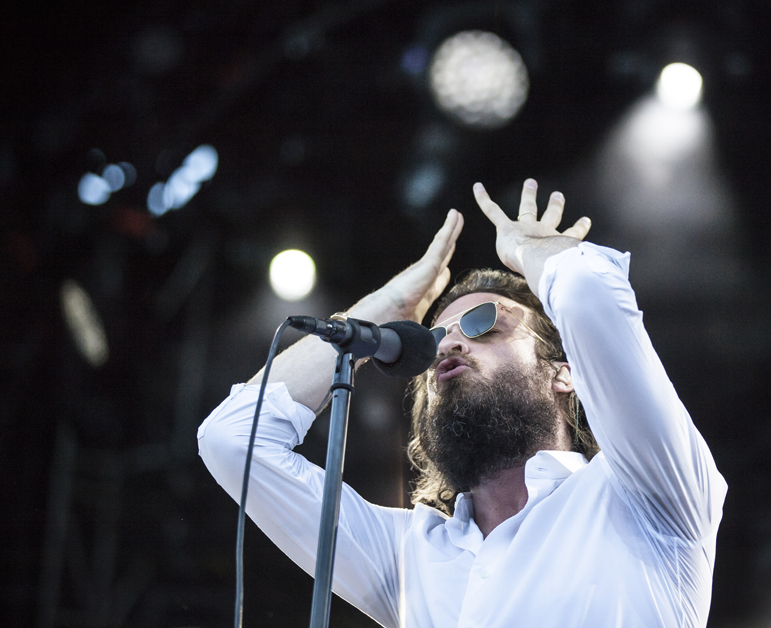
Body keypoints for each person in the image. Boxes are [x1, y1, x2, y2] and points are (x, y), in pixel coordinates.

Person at [198, 179, 727, 627]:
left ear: (564, 374)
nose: (448, 344)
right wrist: (386, 310)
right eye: (434, 338)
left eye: (483, 324)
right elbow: (233, 440)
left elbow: (588, 293)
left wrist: (533, 252)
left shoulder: (647, 494)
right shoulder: (411, 556)